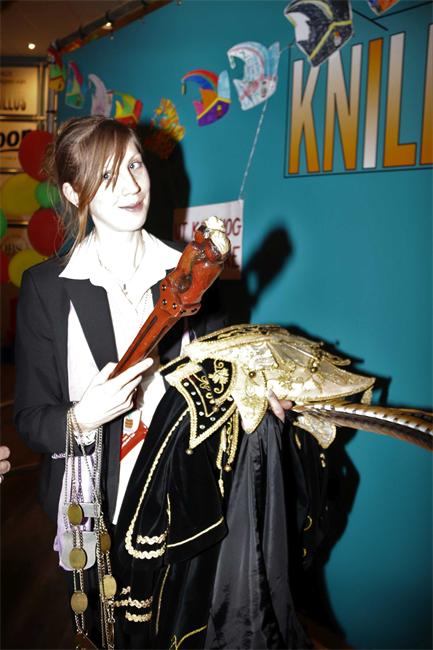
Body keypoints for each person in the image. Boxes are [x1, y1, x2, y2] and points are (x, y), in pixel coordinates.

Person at [14, 116, 294, 649]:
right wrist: (81, 418)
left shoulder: (195, 274)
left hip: (183, 498)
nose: (131, 185)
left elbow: (222, 377)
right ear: (73, 192)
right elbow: (30, 420)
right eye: (107, 174)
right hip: (95, 507)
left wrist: (256, 394)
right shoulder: (47, 287)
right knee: (108, 635)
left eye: (136, 165)